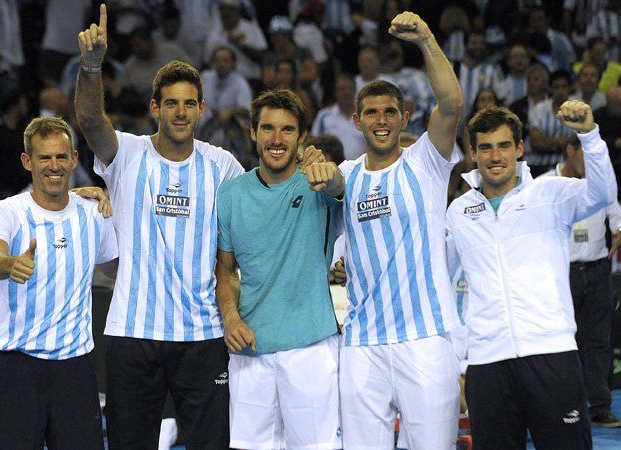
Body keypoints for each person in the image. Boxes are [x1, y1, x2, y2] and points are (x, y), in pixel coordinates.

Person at [75, 5, 245, 448]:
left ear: (203, 109)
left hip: (203, 335)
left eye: (190, 103)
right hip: (133, 332)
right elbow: (92, 121)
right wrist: (92, 67)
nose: (181, 111)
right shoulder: (127, 154)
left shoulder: (223, 165)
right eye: (171, 102)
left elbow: (252, 219)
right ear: (155, 107)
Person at [446, 101, 616, 448]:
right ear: (473, 155)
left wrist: (590, 135)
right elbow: (441, 280)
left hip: (552, 354)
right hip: (486, 363)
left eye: (504, 145)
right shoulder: (458, 212)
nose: (496, 156)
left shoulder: (552, 194)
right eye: (486, 147)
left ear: (519, 149)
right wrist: (461, 358)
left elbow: (603, 194)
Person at [332, 11, 465, 449]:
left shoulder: (425, 162)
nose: (382, 120)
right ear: (357, 121)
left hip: (424, 339)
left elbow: (451, 103)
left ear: (405, 117)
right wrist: (317, 169)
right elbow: (330, 184)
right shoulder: (347, 175)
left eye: (391, 111)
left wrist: (426, 38)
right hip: (361, 344)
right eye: (372, 112)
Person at [216, 89, 343, 449]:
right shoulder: (230, 195)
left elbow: (338, 184)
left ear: (302, 137)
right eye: (267, 129)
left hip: (312, 349)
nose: (276, 139)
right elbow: (224, 271)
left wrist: (327, 171)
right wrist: (230, 318)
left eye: (287, 130)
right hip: (249, 352)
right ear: (253, 133)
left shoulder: (319, 182)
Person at [0, 116, 116, 449]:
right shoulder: (7, 211)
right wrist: (10, 263)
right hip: (17, 370)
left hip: (75, 371)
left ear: (73, 158)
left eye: (61, 157)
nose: (53, 166)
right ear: (28, 161)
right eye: (44, 158)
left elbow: (116, 269)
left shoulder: (94, 212)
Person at [541, 134, 621, 428]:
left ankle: (600, 407)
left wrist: (618, 228)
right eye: (586, 156)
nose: (592, 165)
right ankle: (564, 409)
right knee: (561, 345)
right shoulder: (546, 184)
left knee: (599, 343)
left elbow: (615, 211)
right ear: (570, 151)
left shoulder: (600, 182)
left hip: (599, 270)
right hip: (563, 273)